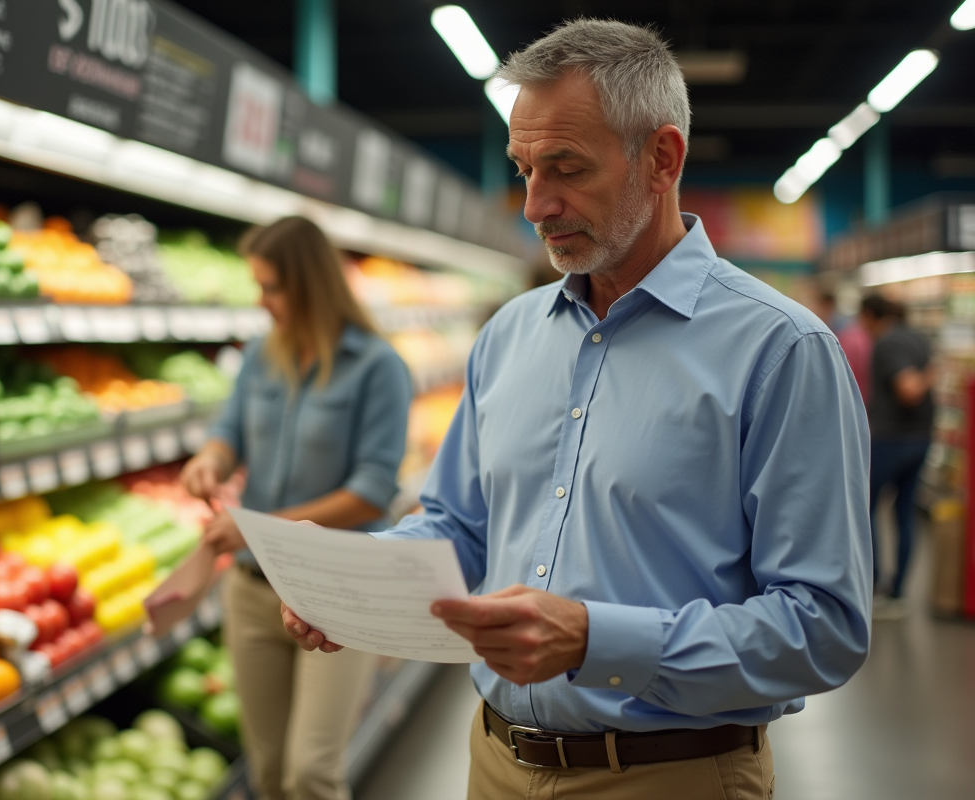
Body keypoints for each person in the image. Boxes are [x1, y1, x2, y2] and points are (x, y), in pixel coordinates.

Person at [282, 19, 871, 800]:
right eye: (523, 168)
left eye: (566, 168)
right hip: (494, 760)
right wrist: (356, 583)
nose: (535, 204)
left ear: (661, 159)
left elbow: (822, 626)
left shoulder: (781, 351)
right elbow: (459, 525)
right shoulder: (509, 336)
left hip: (672, 776)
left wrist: (599, 640)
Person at [179, 216, 412, 800]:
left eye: (272, 287)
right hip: (256, 591)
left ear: (310, 283)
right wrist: (210, 457)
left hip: (339, 585)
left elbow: (372, 491)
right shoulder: (262, 353)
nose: (261, 301)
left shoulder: (377, 366)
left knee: (311, 773)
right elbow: (228, 430)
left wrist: (256, 529)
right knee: (268, 769)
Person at [859, 294, 934, 620]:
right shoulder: (919, 339)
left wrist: (923, 378)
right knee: (905, 515)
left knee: (867, 509)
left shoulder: (888, 343)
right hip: (921, 438)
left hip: (891, 440)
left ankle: (874, 586)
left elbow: (908, 389)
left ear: (870, 316)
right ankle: (899, 590)